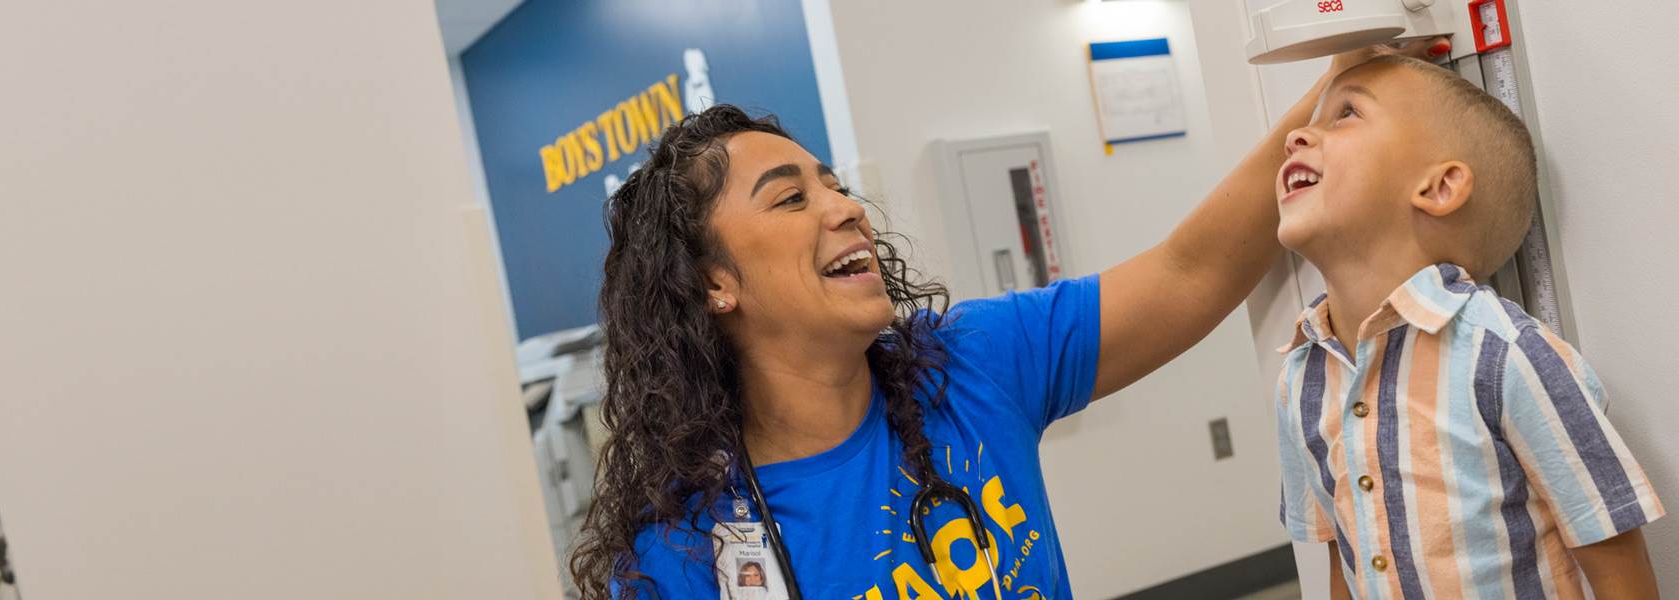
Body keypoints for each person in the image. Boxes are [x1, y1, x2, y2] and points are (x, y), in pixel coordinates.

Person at [569, 45, 1438, 600]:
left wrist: (1342, 79)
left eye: (833, 184)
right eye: (792, 199)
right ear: (715, 283)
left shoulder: (969, 365)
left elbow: (1191, 270)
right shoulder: (681, 559)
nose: (844, 209)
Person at [1270, 55, 1664, 599]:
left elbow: (1615, 556)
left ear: (1438, 187)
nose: (1295, 135)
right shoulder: (1299, 377)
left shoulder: (1504, 352)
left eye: (1346, 113)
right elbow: (1344, 559)